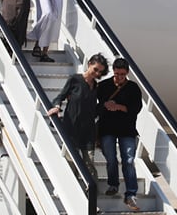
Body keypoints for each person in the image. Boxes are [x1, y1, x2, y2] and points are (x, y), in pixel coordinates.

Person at [46, 53, 109, 183]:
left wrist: (105, 106)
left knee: (89, 164)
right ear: (89, 64)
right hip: (72, 128)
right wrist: (57, 107)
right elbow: (60, 96)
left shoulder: (96, 87)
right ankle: (72, 191)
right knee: (72, 163)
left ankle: (92, 194)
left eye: (100, 72)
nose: (96, 74)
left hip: (88, 130)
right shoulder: (75, 80)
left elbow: (94, 110)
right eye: (95, 69)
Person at [97, 58, 143, 211]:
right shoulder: (103, 86)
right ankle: (113, 184)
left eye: (122, 74)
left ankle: (130, 194)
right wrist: (105, 105)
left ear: (127, 73)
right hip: (107, 128)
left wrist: (118, 107)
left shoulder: (133, 88)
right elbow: (96, 106)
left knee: (128, 160)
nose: (119, 77)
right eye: (117, 74)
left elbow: (135, 108)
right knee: (110, 159)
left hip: (127, 129)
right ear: (113, 72)